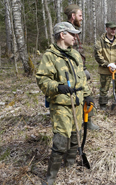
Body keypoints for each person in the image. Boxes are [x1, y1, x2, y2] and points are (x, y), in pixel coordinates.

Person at [36, 22, 94, 185]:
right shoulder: (50, 56)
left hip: (76, 103)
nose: (75, 37)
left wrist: (87, 95)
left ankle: (68, 166)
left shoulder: (75, 55)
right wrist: (57, 87)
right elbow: (42, 79)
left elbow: (82, 76)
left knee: (75, 138)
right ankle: (50, 178)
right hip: (61, 106)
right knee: (61, 142)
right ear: (62, 35)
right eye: (72, 34)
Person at [64, 4, 99, 130]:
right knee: (82, 95)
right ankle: (81, 122)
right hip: (73, 72)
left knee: (86, 94)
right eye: (80, 15)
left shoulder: (73, 29)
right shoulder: (67, 31)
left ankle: (87, 121)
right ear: (73, 16)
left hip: (79, 70)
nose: (82, 18)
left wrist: (84, 68)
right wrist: (80, 71)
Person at [94, 22, 116, 112]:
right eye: (111, 29)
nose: (113, 31)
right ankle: (103, 105)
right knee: (104, 88)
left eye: (114, 29)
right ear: (106, 29)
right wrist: (107, 64)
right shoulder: (100, 41)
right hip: (105, 69)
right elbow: (97, 55)